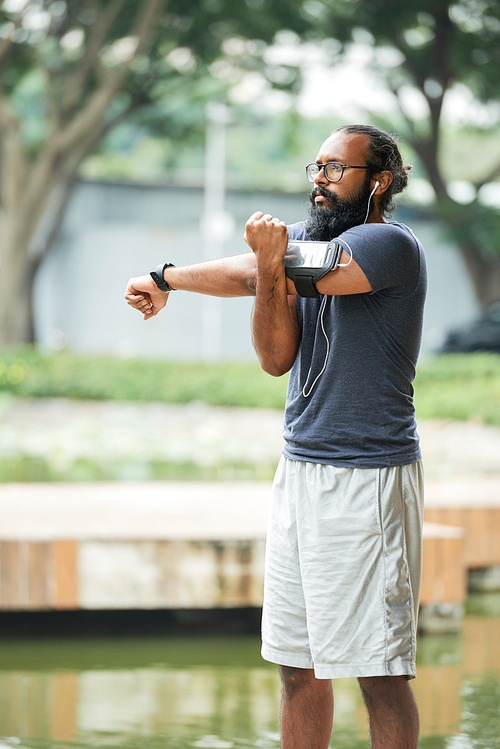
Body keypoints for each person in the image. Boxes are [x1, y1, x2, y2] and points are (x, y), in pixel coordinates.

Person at [125, 124, 427, 749]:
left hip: (366, 479)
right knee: (297, 666)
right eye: (316, 165)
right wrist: (166, 277)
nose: (320, 178)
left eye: (336, 168)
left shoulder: (389, 245)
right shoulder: (301, 246)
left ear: (381, 181)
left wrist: (254, 263)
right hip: (300, 473)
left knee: (378, 671)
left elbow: (266, 270)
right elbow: (274, 356)